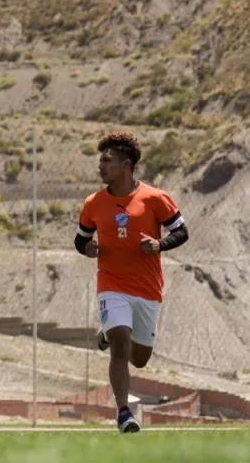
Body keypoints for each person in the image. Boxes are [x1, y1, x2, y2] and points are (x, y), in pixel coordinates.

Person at [75, 132, 189, 433]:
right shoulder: (93, 203)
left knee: (139, 359)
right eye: (100, 161)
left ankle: (107, 334)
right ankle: (124, 413)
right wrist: (87, 249)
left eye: (107, 161)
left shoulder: (154, 198)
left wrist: (159, 244)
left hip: (148, 289)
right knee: (120, 346)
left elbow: (182, 231)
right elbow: (80, 239)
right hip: (111, 283)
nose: (101, 167)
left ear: (126, 165)